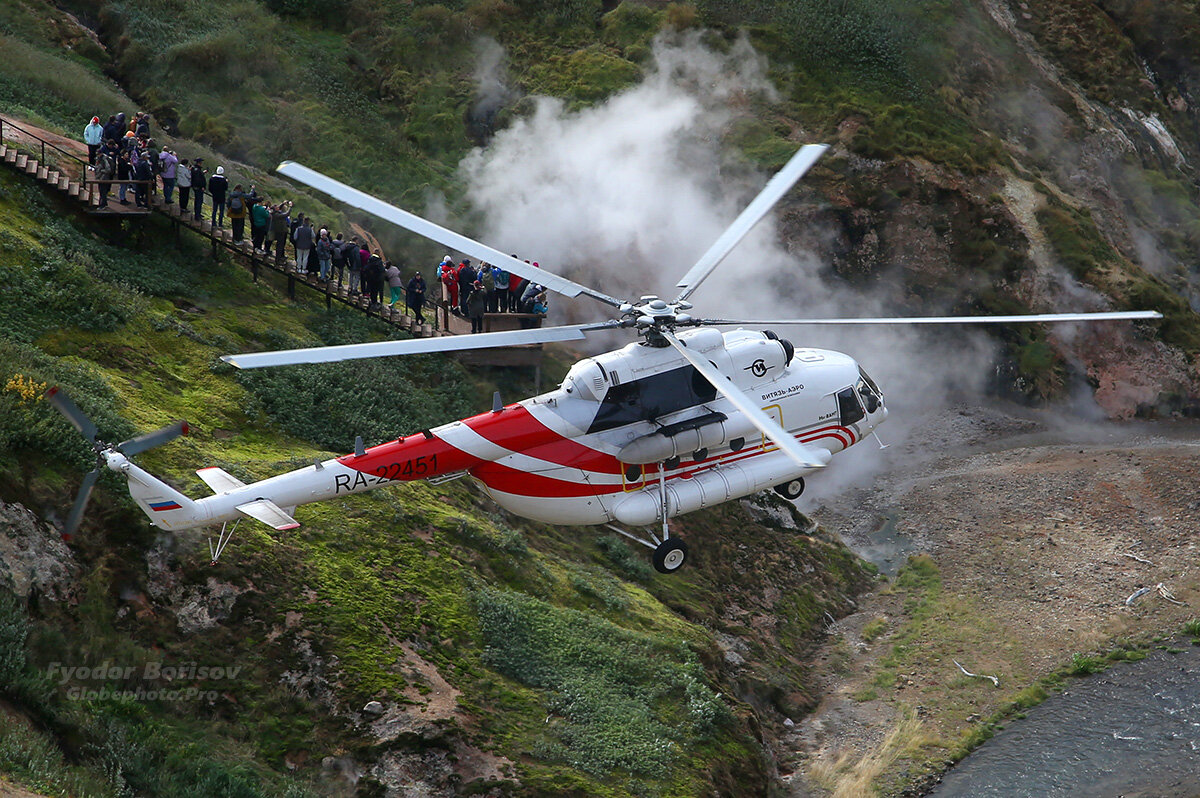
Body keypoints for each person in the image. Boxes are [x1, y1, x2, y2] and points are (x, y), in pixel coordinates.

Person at [94, 143, 116, 207]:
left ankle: (102, 205)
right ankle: (104, 203)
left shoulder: (104, 159)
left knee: (103, 192)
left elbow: (108, 169)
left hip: (104, 178)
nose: (97, 155)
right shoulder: (98, 159)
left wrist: (101, 171)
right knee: (101, 191)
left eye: (98, 154)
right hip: (99, 177)